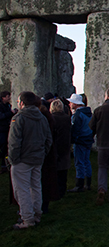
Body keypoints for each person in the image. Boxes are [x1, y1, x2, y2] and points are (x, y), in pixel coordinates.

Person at [9, 91, 53, 229]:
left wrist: (13, 159)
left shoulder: (19, 118)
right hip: (37, 158)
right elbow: (48, 139)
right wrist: (42, 153)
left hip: (22, 158)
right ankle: (36, 213)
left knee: (22, 190)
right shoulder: (42, 118)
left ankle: (27, 218)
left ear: (22, 103)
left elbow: (14, 142)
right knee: (35, 187)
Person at [68, 94, 94, 192]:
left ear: (75, 103)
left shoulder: (78, 115)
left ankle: (79, 185)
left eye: (71, 102)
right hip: (88, 139)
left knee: (79, 163)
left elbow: (75, 129)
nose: (70, 104)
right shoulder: (89, 113)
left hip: (80, 140)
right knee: (87, 161)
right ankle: (88, 183)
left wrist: (72, 140)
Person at [50, 99, 71, 199]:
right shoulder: (67, 118)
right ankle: (62, 189)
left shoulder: (51, 118)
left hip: (55, 144)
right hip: (65, 144)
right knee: (63, 169)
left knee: (55, 169)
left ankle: (55, 190)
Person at [0, 91, 17, 173]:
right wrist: (11, 113)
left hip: (6, 128)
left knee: (5, 148)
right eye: (8, 96)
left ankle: (4, 165)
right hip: (1, 129)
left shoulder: (7, 105)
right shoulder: (1, 106)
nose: (9, 98)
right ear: (3, 97)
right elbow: (1, 116)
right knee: (2, 146)